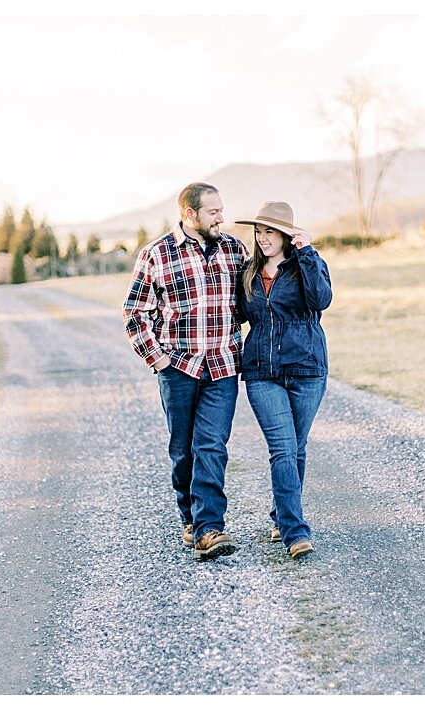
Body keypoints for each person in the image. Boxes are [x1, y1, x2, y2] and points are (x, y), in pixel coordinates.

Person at [123, 182, 249, 560]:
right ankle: (191, 520)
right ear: (189, 214)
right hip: (177, 368)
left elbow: (246, 302)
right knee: (183, 450)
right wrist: (158, 359)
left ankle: (211, 527)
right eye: (213, 212)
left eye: (221, 210)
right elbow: (135, 313)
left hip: (223, 364)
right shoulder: (157, 254)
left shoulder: (234, 249)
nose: (220, 218)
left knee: (211, 445)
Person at [235, 201, 332, 560]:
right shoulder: (247, 272)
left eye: (269, 231)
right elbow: (239, 316)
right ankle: (294, 531)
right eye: (258, 231)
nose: (262, 238)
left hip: (306, 369)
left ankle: (280, 515)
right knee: (283, 449)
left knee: (296, 447)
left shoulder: (308, 263)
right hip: (262, 373)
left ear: (287, 235)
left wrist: (307, 254)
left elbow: (321, 299)